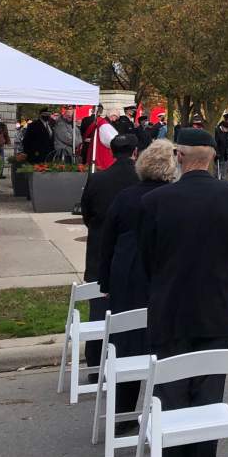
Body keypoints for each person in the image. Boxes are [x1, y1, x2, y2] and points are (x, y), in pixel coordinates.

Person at [140, 128, 228, 457]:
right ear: (213, 157)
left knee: (171, 395)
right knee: (208, 394)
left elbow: (147, 259)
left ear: (179, 156)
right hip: (216, 305)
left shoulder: (156, 201)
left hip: (171, 305)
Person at [96, 139, 176, 423]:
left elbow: (107, 242)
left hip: (127, 270)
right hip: (160, 271)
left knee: (127, 341)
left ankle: (124, 413)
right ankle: (162, 408)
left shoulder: (125, 196)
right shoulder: (173, 197)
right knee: (162, 340)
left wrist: (104, 282)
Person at [79, 133, 140, 374]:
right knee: (132, 312)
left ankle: (96, 365)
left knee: (98, 313)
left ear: (113, 153)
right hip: (132, 254)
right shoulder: (141, 179)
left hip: (99, 253)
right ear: (135, 152)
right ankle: (128, 362)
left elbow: (86, 214)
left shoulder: (97, 180)